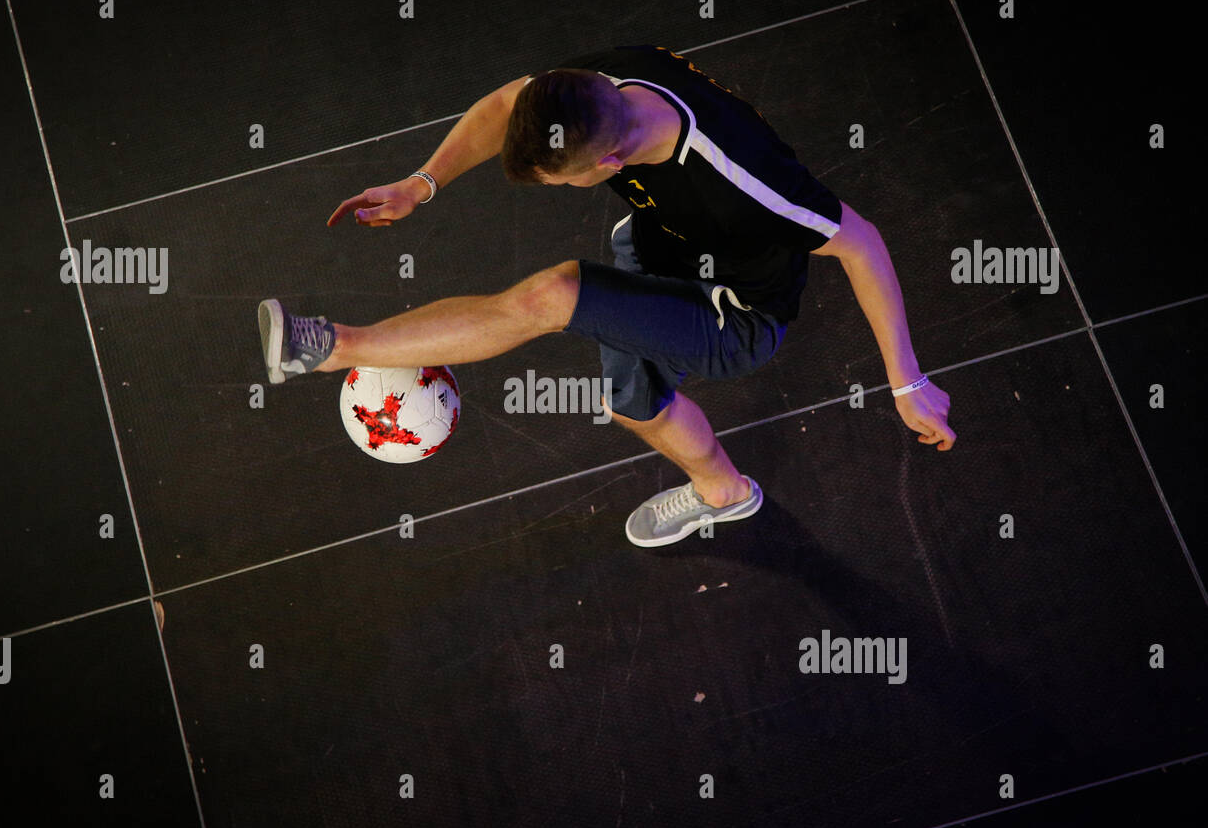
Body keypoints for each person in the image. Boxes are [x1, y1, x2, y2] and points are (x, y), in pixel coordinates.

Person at [257, 45, 955, 547]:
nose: (559, 188)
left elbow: (861, 243)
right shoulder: (603, 84)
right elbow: (508, 103)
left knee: (554, 293)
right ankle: (724, 494)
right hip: (663, 240)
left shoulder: (744, 181)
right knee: (632, 407)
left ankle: (328, 346)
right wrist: (422, 183)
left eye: (563, 180)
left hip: (736, 313)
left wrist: (906, 382)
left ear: (612, 162)